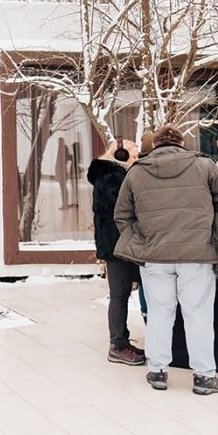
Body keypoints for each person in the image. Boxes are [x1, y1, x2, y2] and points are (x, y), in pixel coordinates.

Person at [114, 125, 218, 395]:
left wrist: (141, 242)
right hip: (197, 255)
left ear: (156, 144)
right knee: (198, 316)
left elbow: (122, 215)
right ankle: (204, 377)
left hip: (155, 257)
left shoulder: (137, 172)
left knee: (160, 314)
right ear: (181, 143)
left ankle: (158, 371)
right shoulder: (204, 166)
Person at [87, 137, 145, 366]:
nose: (137, 159)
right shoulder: (112, 177)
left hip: (122, 243)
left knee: (124, 293)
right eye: (135, 154)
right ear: (120, 155)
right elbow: (126, 207)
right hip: (117, 245)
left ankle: (122, 342)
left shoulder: (115, 175)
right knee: (119, 295)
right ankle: (117, 345)